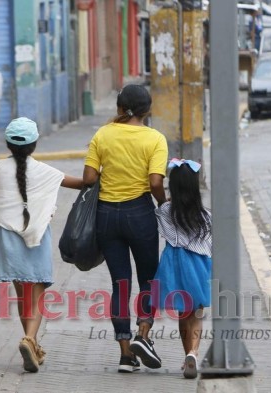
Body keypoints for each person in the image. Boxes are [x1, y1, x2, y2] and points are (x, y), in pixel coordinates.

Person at [0, 117, 82, 372]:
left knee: (23, 295)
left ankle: (32, 345)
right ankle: (30, 340)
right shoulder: (47, 172)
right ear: (34, 144)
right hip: (35, 238)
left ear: (8, 144)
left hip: (5, 240)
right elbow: (82, 183)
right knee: (36, 295)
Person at [82, 84, 168, 373]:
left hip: (106, 215)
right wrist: (164, 205)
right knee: (148, 280)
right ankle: (143, 336)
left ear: (120, 108)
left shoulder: (103, 134)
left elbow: (89, 177)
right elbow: (156, 182)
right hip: (140, 214)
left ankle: (125, 354)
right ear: (147, 110)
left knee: (120, 283)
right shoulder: (155, 139)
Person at [152, 158, 212, 379]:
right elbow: (211, 246)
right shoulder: (206, 216)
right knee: (196, 312)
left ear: (173, 187)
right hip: (199, 266)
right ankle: (194, 352)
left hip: (174, 264)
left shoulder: (165, 211)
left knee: (182, 312)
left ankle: (188, 353)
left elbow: (162, 223)